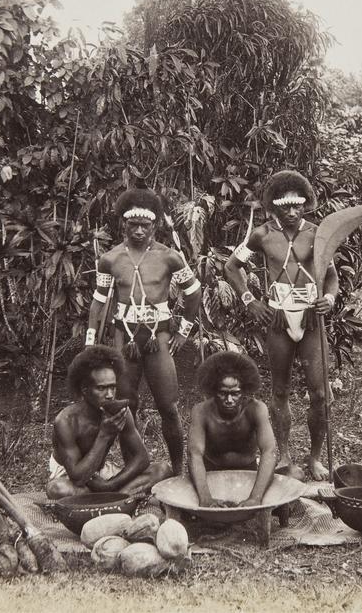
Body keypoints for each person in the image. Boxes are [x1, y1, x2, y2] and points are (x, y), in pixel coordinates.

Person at [223, 170, 339, 481]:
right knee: (280, 390)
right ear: (273, 206)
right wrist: (250, 300)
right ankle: (284, 454)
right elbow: (232, 267)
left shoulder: (318, 233)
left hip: (312, 318)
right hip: (278, 317)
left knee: (319, 393)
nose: (291, 212)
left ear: (305, 205)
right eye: (284, 207)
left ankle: (315, 458)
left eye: (297, 206)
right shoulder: (261, 235)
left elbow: (331, 275)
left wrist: (328, 297)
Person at [86, 189, 201, 475]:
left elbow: (194, 292)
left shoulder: (169, 257)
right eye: (132, 225)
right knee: (125, 407)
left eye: (145, 226)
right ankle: (134, 470)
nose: (138, 231)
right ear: (123, 224)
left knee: (169, 406)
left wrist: (184, 330)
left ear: (155, 226)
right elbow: (99, 301)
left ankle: (178, 472)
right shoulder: (110, 259)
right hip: (123, 339)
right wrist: (90, 342)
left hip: (157, 338)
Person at [47, 345, 172, 500]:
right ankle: (118, 499)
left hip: (102, 475)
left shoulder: (119, 413)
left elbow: (142, 458)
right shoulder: (66, 422)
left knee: (162, 470)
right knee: (57, 489)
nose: (110, 395)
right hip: (70, 477)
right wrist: (104, 435)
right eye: (102, 388)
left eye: (113, 387)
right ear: (85, 390)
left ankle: (106, 498)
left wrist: (110, 484)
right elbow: (77, 477)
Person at [188, 351, 305, 508]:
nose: (229, 400)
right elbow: (194, 454)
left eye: (235, 394)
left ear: (244, 392)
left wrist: (255, 498)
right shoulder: (201, 411)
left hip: (248, 476)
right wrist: (205, 498)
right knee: (180, 492)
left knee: (295, 474)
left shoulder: (256, 409)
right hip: (211, 477)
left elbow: (269, 452)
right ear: (214, 391)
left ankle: (269, 507)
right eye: (223, 393)